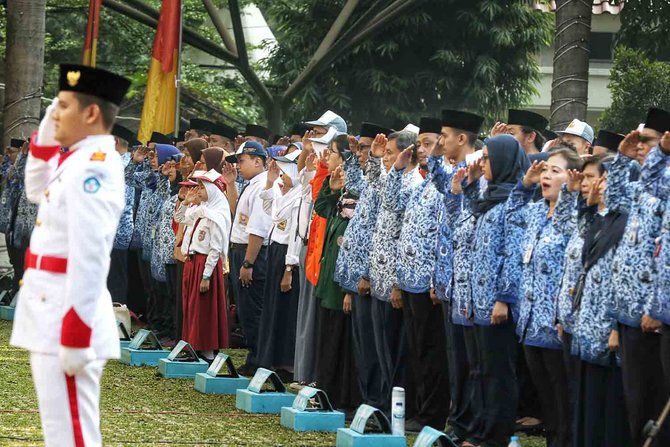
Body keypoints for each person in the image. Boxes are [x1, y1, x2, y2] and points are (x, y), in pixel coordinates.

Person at [10, 64, 130, 446]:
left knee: (73, 436)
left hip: (67, 315)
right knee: (60, 433)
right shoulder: (76, 161)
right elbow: (34, 187)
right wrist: (51, 120)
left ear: (91, 113)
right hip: (50, 311)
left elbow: (90, 254)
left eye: (62, 106)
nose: (55, 113)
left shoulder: (94, 167)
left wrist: (76, 330)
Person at [608, 107, 670, 446]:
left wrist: (652, 307)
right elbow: (614, 197)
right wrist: (622, 159)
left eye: (647, 141)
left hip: (652, 312)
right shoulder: (642, 187)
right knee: (635, 399)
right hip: (629, 310)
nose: (640, 145)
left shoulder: (664, 188)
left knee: (653, 398)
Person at [513, 147, 582, 447]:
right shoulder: (537, 210)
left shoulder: (576, 215)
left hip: (556, 324)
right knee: (546, 396)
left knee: (563, 395)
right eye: (545, 170)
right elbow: (511, 214)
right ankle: (554, 439)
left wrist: (569, 196)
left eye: (556, 171)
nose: (547, 175)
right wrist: (524, 184)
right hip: (530, 321)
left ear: (573, 178)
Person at [465, 134, 530, 447]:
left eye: (488, 158)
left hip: (497, 305)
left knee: (499, 374)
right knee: (481, 371)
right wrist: (470, 182)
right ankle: (481, 430)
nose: (483, 163)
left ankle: (496, 436)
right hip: (480, 301)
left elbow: (513, 254)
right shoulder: (491, 196)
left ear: (504, 161)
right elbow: (470, 214)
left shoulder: (514, 201)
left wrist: (504, 299)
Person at [431, 110, 485, 445]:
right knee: (457, 361)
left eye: (445, 136)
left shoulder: (480, 169)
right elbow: (450, 211)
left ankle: (472, 424)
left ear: (462, 138)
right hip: (454, 280)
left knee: (473, 365)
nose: (441, 141)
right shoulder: (455, 169)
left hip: (473, 285)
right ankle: (459, 420)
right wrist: (437, 157)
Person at [570, 155, 632, 447]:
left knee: (608, 406)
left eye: (598, 178)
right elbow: (581, 237)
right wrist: (586, 205)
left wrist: (617, 326)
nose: (590, 185)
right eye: (587, 178)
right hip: (587, 324)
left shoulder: (625, 224)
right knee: (587, 401)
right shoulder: (600, 220)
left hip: (608, 329)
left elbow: (624, 280)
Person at [369, 127, 424, 420]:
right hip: (379, 274)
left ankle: (399, 408)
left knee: (396, 349)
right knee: (382, 349)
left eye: (390, 153)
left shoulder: (414, 183)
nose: (386, 158)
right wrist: (378, 161)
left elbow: (404, 235)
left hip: (395, 278)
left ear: (407, 154)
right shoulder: (394, 179)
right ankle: (385, 404)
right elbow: (376, 195)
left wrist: (397, 283)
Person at [335, 122, 392, 409]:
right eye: (361, 149)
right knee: (362, 347)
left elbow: (380, 234)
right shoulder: (368, 182)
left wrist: (367, 274)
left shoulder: (384, 183)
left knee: (374, 348)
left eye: (368, 149)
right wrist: (351, 154)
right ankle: (366, 400)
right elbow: (351, 180)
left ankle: (377, 402)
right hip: (356, 278)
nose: (363, 154)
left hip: (372, 278)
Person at [313, 134, 360, 413]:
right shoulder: (341, 191)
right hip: (328, 276)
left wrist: (348, 289)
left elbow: (354, 239)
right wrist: (330, 188)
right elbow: (321, 209)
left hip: (341, 282)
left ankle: (339, 396)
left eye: (331, 154)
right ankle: (325, 390)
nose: (327, 158)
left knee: (339, 342)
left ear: (343, 159)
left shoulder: (354, 194)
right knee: (326, 338)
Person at [225, 141, 272, 376]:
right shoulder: (250, 185)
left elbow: (258, 229)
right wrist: (231, 184)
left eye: (241, 160)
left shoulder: (263, 185)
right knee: (245, 308)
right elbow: (237, 214)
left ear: (258, 161)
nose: (238, 166)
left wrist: (248, 262)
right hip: (240, 249)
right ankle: (254, 356)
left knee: (253, 308)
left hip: (251, 252)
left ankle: (259, 359)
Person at [256, 149, 303, 380]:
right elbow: (269, 211)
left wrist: (289, 269)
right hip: (275, 250)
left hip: (287, 255)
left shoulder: (299, 198)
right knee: (272, 307)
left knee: (285, 310)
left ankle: (286, 362)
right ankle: (270, 358)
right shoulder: (284, 193)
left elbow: (295, 234)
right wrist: (270, 181)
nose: (282, 178)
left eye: (285, 174)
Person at [178, 169, 231, 360]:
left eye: (202, 187)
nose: (198, 190)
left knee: (205, 309)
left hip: (205, 264)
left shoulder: (215, 215)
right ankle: (193, 347)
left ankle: (207, 351)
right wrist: (185, 203)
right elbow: (180, 219)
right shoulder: (202, 210)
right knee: (192, 307)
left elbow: (215, 248)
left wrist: (206, 275)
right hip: (194, 262)